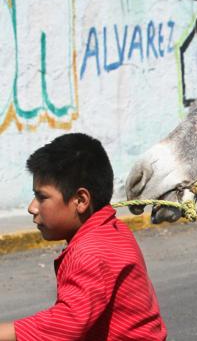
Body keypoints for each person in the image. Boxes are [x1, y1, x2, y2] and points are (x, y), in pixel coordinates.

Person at [0, 133, 167, 341]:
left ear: (80, 200)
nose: (32, 208)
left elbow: (66, 324)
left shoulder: (91, 251)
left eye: (42, 197)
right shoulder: (112, 229)